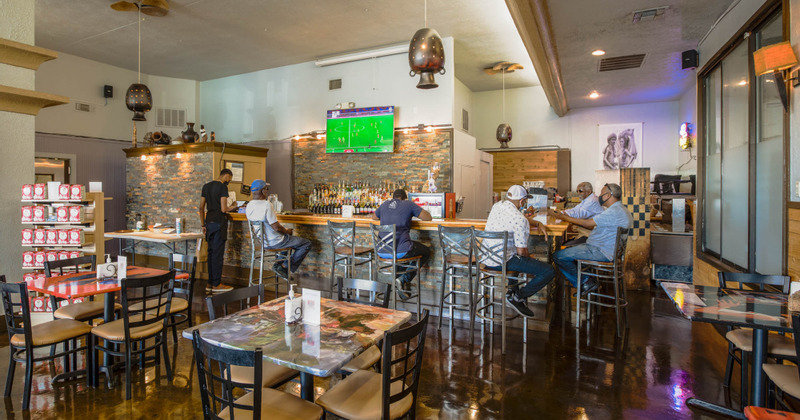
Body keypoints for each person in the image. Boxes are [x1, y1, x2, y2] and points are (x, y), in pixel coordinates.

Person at [482, 185, 556, 318]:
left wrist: (536, 223)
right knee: (548, 271)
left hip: (486, 258)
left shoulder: (497, 206)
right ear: (522, 201)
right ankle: (517, 297)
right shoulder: (520, 220)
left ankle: (512, 290)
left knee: (516, 258)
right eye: (525, 200)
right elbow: (522, 252)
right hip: (502, 262)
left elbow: (515, 218)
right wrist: (530, 258)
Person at [548, 183, 632, 294]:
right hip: (603, 249)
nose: (599, 196)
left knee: (558, 256)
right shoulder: (620, 209)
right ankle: (587, 280)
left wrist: (564, 217)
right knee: (568, 251)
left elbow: (588, 223)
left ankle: (586, 281)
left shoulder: (614, 211)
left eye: (602, 193)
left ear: (608, 195)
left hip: (601, 251)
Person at [373, 189, 432, 299]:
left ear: (393, 196)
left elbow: (374, 217)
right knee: (425, 251)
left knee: (404, 248)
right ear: (405, 198)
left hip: (382, 251)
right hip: (400, 250)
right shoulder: (408, 204)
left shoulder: (385, 204)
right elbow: (428, 217)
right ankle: (402, 280)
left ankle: (400, 285)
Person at [246, 179, 311, 279]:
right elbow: (276, 227)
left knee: (286, 238)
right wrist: (287, 231)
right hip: (274, 242)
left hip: (262, 242)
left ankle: (278, 264)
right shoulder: (267, 205)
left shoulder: (249, 205)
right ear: (263, 191)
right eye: (266, 189)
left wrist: (285, 232)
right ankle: (284, 267)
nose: (267, 191)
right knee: (306, 243)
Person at [198, 169, 239, 293]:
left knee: (211, 254)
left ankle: (210, 283)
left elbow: (201, 207)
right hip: (219, 223)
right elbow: (223, 209)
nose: (229, 182)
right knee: (217, 255)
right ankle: (216, 284)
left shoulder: (206, 186)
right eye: (229, 179)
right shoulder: (222, 187)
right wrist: (235, 206)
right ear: (226, 176)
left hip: (209, 223)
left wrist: (203, 224)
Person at [554, 182, 605, 246]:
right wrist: (563, 212)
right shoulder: (587, 199)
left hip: (594, 234)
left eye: (580, 191)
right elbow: (575, 209)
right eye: (577, 191)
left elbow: (578, 214)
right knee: (564, 243)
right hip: (588, 230)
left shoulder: (592, 201)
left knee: (565, 245)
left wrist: (561, 214)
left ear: (589, 192)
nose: (578, 193)